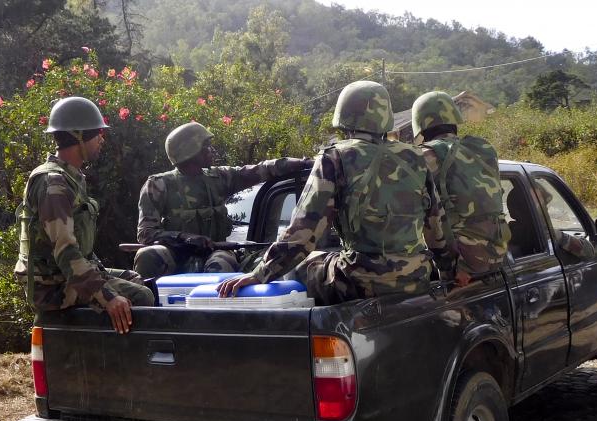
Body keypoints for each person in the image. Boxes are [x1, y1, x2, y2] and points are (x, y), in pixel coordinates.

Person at [218, 81, 450, 304]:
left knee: (302, 266)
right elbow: (437, 230)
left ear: (345, 117)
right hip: (416, 277)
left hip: (360, 280)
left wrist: (260, 274)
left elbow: (303, 234)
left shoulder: (335, 157)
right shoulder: (416, 158)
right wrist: (449, 274)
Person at [14, 96, 153, 334]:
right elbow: (65, 251)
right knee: (141, 296)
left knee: (135, 278)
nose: (102, 138)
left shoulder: (69, 177)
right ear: (79, 136)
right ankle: (112, 364)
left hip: (63, 276)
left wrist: (100, 277)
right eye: (97, 132)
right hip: (51, 287)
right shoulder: (54, 184)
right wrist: (107, 297)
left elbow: (79, 246)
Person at [133, 122, 312, 279]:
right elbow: (146, 233)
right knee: (147, 255)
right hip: (176, 252)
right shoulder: (159, 185)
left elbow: (260, 170)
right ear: (191, 150)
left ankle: (214, 314)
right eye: (206, 146)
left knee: (220, 263)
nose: (212, 150)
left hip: (216, 250)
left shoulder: (219, 177)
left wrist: (302, 164)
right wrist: (183, 237)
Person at [411, 91, 509, 286]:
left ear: (421, 126)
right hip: (496, 254)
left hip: (458, 264)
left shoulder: (425, 157)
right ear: (454, 119)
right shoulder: (484, 149)